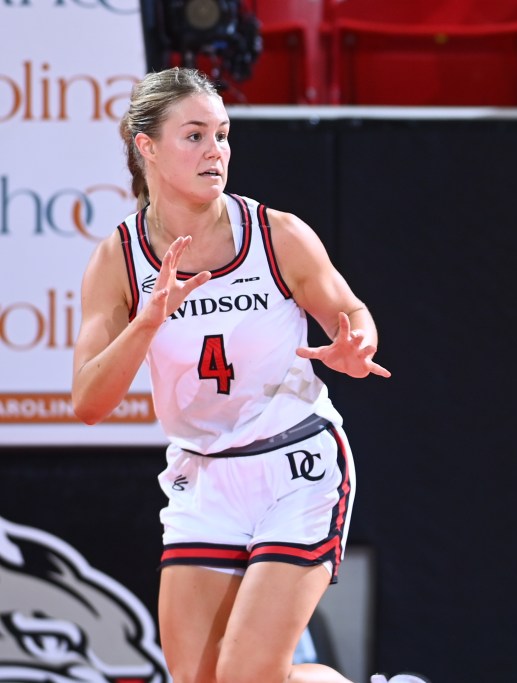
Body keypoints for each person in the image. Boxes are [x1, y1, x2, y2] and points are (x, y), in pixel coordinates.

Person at [71, 67, 425, 683]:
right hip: (204, 475)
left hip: (295, 465)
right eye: (195, 136)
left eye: (223, 134)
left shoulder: (274, 233)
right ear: (146, 146)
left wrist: (355, 345)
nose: (216, 150)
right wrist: (147, 323)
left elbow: (351, 313)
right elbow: (88, 403)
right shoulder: (118, 259)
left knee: (247, 675)